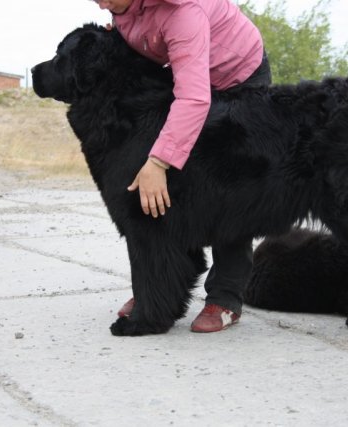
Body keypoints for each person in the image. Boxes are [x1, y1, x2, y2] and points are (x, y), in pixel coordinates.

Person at [92, 0, 272, 332]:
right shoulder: (120, 6)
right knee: (176, 189)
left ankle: (226, 296)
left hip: (238, 79)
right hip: (186, 74)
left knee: (227, 190)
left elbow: (194, 98)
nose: (100, 3)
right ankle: (159, 292)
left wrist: (159, 161)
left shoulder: (184, 11)